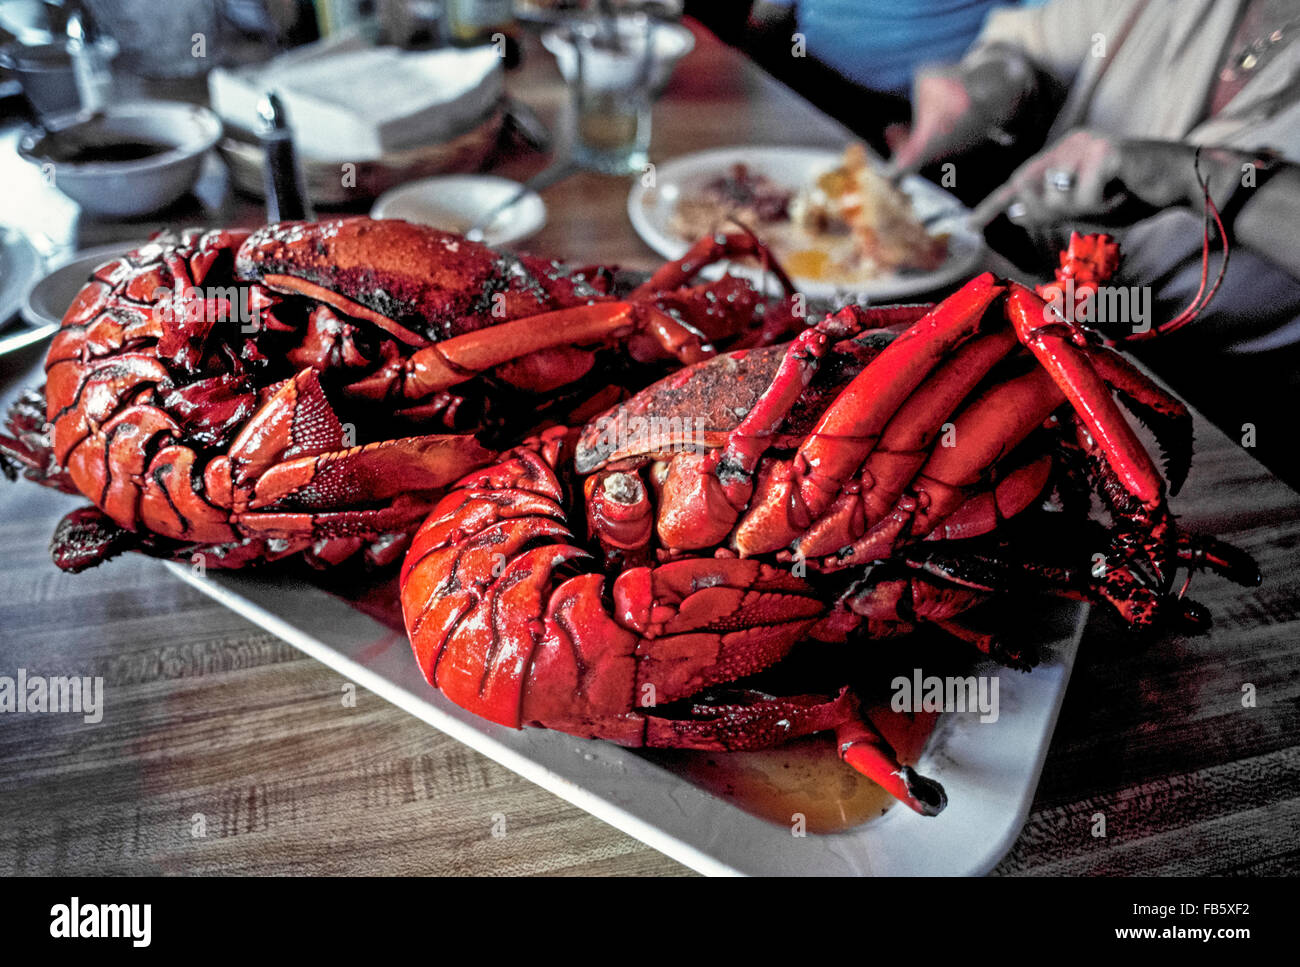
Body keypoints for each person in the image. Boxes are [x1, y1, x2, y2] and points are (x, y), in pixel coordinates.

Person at [888, 0, 1300, 489]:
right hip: (1039, 301)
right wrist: (990, 89)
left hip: (1220, 395)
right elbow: (1028, 49)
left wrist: (1201, 174)